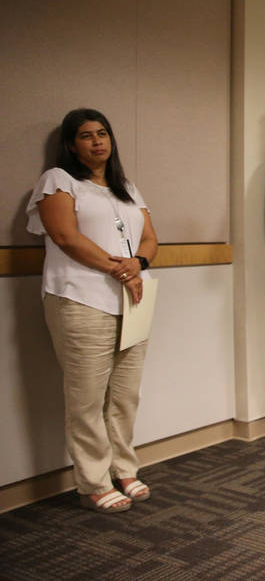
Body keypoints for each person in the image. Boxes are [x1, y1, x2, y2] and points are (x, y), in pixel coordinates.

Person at [27, 108, 158, 513]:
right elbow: (66, 236)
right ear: (71, 144)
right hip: (81, 299)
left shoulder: (128, 188)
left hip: (133, 300)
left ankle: (124, 468)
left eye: (103, 133)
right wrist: (122, 269)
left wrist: (139, 264)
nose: (98, 141)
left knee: (124, 395)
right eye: (86, 136)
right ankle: (92, 482)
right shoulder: (58, 181)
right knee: (86, 398)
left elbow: (151, 238)